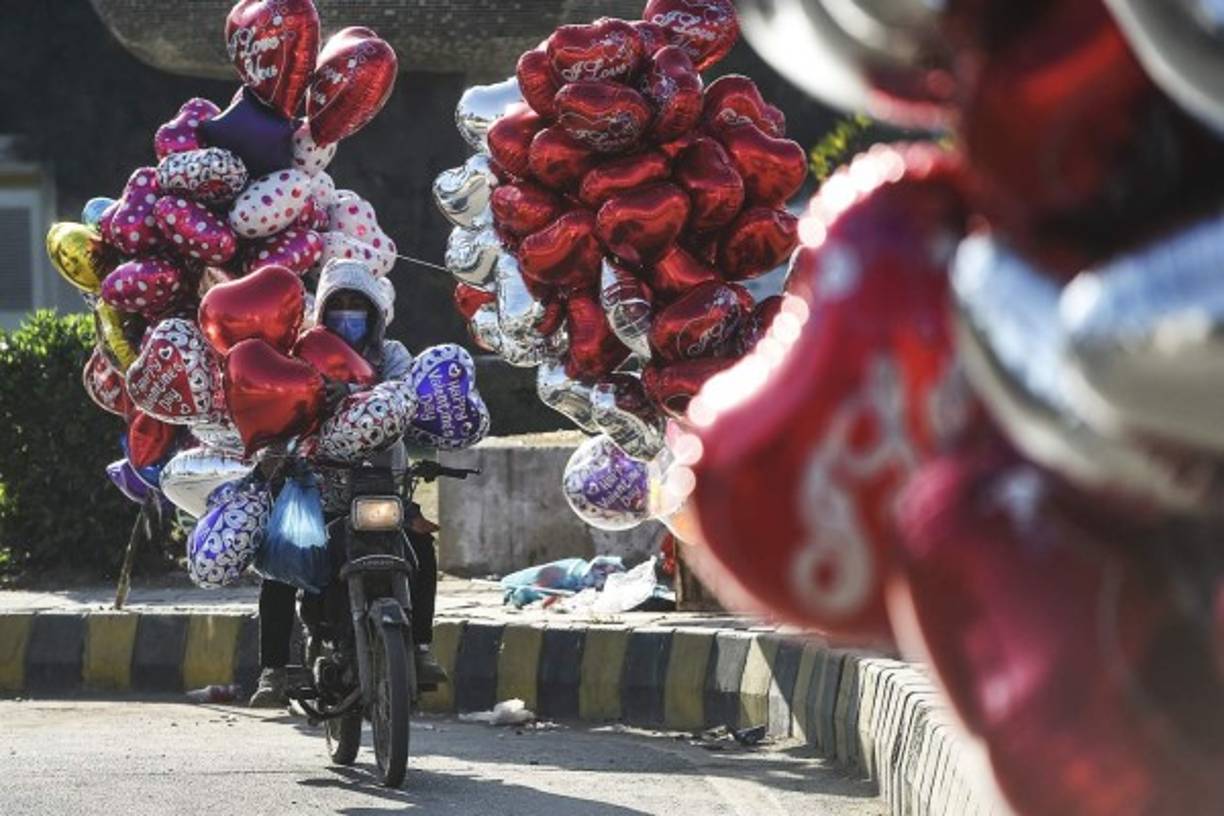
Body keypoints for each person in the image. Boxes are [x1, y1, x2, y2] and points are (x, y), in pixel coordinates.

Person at [249, 259, 448, 708]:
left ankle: (418, 648)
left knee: (420, 551)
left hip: (382, 485)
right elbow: (278, 407)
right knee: (282, 562)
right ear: (323, 312)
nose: (349, 313)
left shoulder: (392, 354)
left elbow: (407, 396)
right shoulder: (300, 355)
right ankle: (274, 668)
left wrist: (359, 391)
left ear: (375, 311)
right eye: (338, 304)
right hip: (318, 488)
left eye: (358, 304)